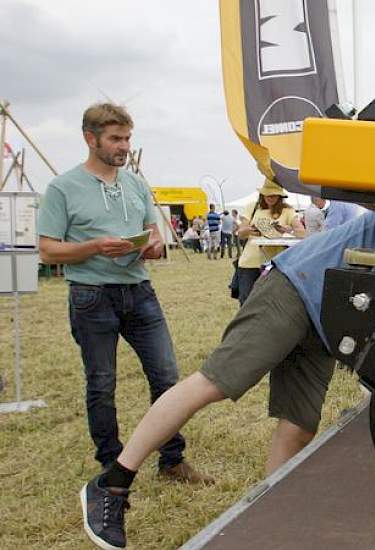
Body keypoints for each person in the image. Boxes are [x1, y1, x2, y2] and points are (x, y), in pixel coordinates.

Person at [79, 204, 375, 550]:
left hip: (334, 323)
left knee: (300, 426)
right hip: (299, 286)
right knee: (213, 383)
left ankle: (269, 524)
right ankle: (112, 484)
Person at [37, 103, 212, 537]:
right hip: (91, 295)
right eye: (116, 139)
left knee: (168, 378)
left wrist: (152, 247)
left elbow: (154, 238)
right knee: (102, 383)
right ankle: (111, 475)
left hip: (140, 291)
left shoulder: (135, 184)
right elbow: (47, 250)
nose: (124, 148)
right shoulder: (63, 188)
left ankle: (172, 460)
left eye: (128, 139)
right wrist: (96, 246)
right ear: (90, 138)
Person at [234, 180, 304, 305]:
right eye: (267, 194)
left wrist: (287, 230)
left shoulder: (288, 211)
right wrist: (251, 229)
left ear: (280, 196)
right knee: (246, 303)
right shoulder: (252, 207)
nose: (270, 198)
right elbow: (241, 233)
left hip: (273, 265)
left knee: (271, 303)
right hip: (249, 263)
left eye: (273, 195)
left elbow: (302, 233)